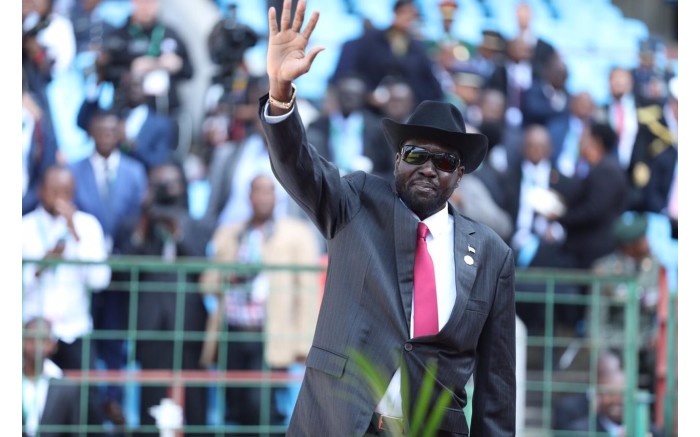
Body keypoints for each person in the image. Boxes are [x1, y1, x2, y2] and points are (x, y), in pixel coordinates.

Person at [258, 1, 516, 435]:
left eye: (445, 161)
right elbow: (299, 166)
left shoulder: (492, 253)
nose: (429, 168)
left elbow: (496, 387)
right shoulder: (356, 200)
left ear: (460, 175)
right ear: (397, 160)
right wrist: (280, 93)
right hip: (339, 423)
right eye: (416, 154)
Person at [199, 173, 322, 434]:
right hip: (232, 330)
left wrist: (303, 342)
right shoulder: (231, 233)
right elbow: (207, 281)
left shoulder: (296, 234)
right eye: (258, 191)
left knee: (261, 403)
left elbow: (307, 291)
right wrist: (228, 275)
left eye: (268, 192)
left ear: (276, 198)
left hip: (270, 334)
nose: (263, 197)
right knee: (235, 404)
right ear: (249, 196)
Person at [22, 165, 112, 434]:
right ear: (40, 192)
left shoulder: (87, 225)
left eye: (67, 192)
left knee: (88, 401)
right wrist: (40, 266)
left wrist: (77, 236)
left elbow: (100, 280)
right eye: (54, 191)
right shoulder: (22, 228)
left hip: (74, 330)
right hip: (31, 333)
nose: (61, 198)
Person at [22, 317, 83, 437]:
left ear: (53, 344)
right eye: (30, 339)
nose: (36, 345)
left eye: (43, 340)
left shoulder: (67, 387)